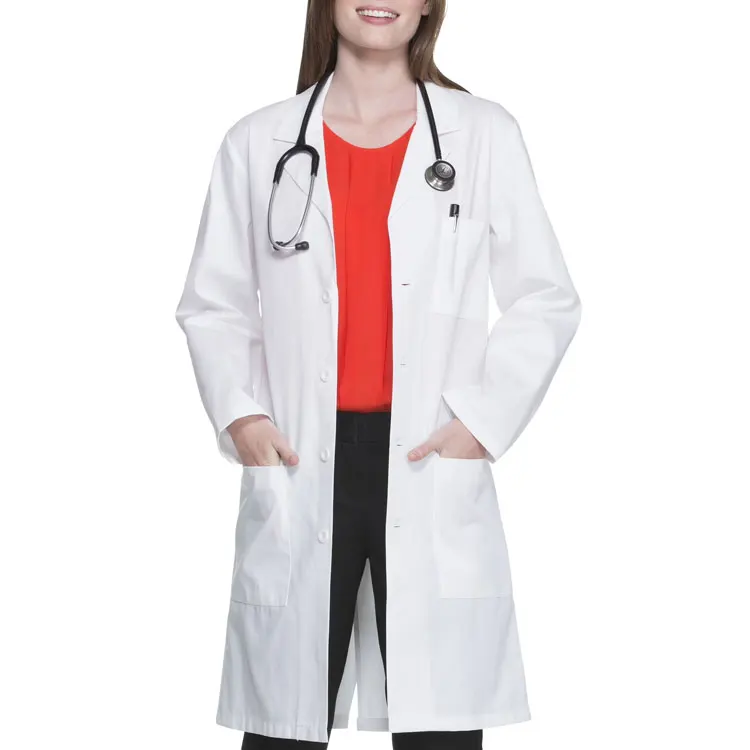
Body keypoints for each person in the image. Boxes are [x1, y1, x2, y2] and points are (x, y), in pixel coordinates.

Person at [174, 1, 582, 748]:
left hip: (428, 457)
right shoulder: (257, 141)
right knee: (284, 731)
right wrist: (243, 417)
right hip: (301, 459)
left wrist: (480, 423)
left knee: (439, 731)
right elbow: (214, 304)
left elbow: (546, 298)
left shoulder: (483, 134)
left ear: (429, 3)